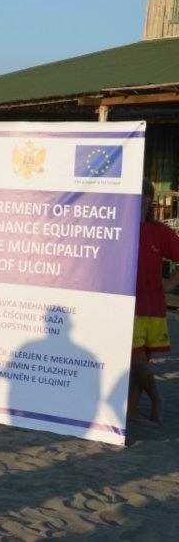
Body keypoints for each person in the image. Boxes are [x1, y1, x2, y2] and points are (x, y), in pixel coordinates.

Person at [128, 179, 179, 425]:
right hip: (126, 307)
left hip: (153, 307)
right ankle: (157, 399)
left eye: (143, 195)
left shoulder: (161, 232)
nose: (139, 199)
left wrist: (169, 284)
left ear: (149, 199)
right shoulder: (118, 227)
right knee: (135, 360)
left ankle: (132, 412)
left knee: (141, 365)